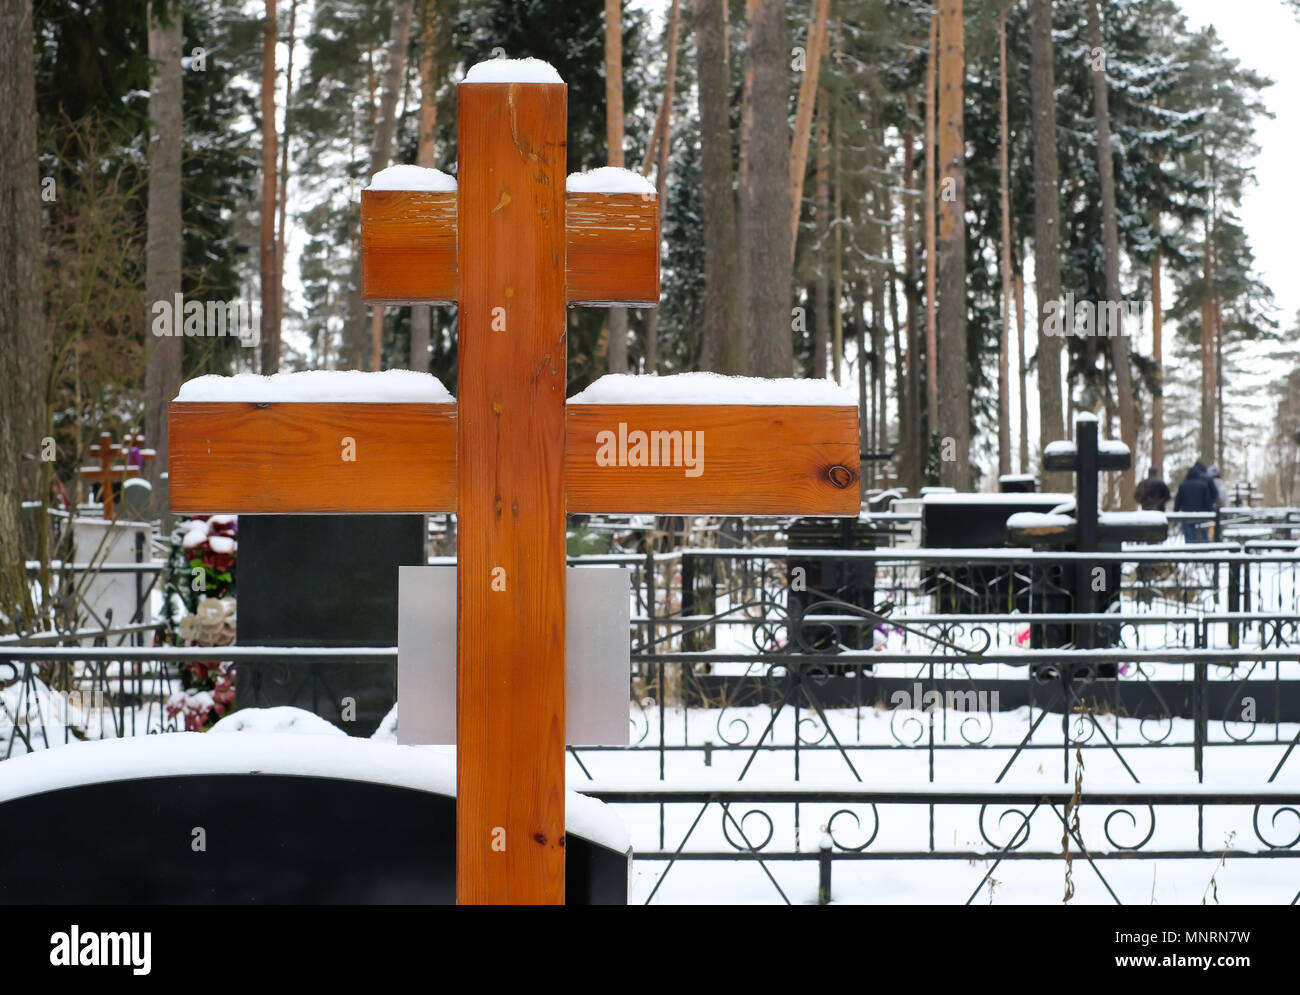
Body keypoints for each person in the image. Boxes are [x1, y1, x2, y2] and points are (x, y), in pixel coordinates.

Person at [1174, 461, 1215, 542]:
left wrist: (1175, 514)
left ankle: (1189, 553)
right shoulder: (1203, 485)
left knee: (1189, 538)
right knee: (1204, 536)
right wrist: (1211, 513)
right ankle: (1206, 553)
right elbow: (1207, 501)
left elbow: (1178, 502)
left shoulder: (1183, 486)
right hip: (1201, 516)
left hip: (1187, 516)